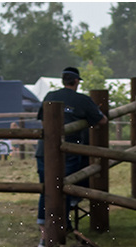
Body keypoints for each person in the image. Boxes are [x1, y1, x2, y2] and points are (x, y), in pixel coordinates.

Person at [35, 66, 103, 224]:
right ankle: (62, 224)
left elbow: (43, 120)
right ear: (76, 81)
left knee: (47, 188)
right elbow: (102, 120)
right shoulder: (82, 100)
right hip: (69, 151)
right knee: (63, 186)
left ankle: (45, 227)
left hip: (43, 150)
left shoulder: (50, 96)